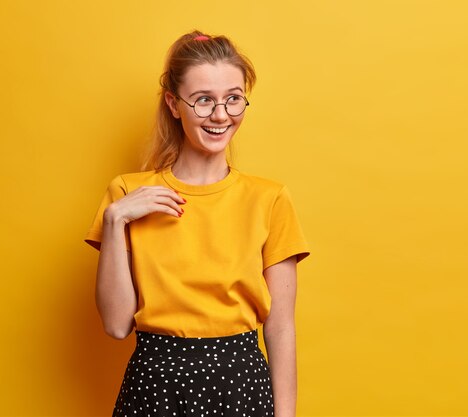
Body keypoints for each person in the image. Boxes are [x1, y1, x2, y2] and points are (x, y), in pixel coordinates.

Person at [85, 30, 310, 417]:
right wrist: (115, 219)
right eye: (204, 100)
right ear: (174, 104)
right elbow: (117, 324)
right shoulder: (127, 194)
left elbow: (280, 328)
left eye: (233, 99)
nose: (221, 115)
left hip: (242, 385)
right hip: (155, 387)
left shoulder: (269, 199)